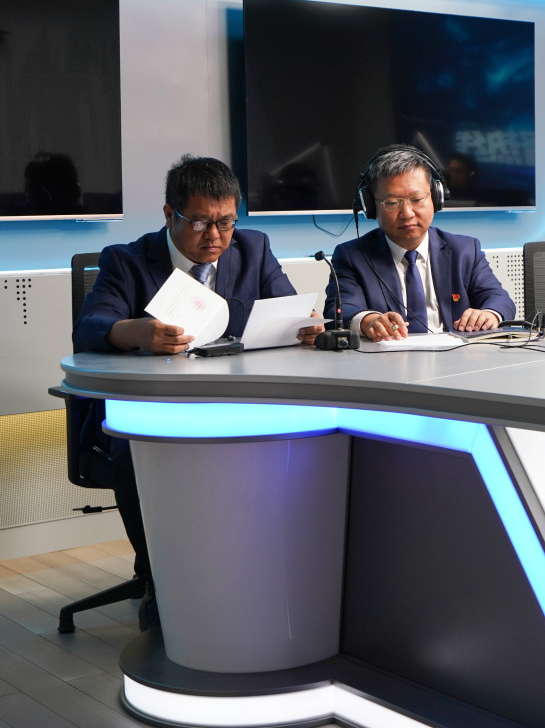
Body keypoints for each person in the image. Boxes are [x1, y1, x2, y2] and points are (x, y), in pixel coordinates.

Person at [71, 154, 322, 629]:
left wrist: (304, 325)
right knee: (132, 449)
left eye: (226, 222)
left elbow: (287, 308)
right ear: (171, 214)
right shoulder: (126, 260)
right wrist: (135, 331)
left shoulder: (253, 248)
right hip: (154, 409)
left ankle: (261, 572)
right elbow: (89, 328)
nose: (215, 236)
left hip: (237, 403)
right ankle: (158, 578)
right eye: (201, 222)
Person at [326, 144, 515, 340]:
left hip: (457, 354)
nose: (407, 213)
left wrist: (488, 314)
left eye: (416, 199)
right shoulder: (351, 256)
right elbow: (339, 311)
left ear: (436, 197)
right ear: (370, 206)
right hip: (390, 356)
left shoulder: (465, 250)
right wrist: (369, 321)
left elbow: (499, 299)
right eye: (392, 203)